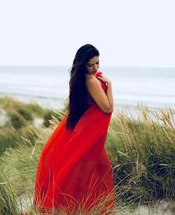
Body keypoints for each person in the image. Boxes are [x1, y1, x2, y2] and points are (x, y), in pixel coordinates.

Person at [33, 44, 115, 214]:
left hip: (83, 129)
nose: (95, 68)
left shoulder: (81, 78)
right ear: (81, 63)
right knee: (92, 168)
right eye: (90, 64)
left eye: (97, 63)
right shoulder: (91, 80)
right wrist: (110, 85)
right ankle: (82, 206)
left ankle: (79, 206)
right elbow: (107, 108)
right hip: (88, 133)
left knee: (79, 167)